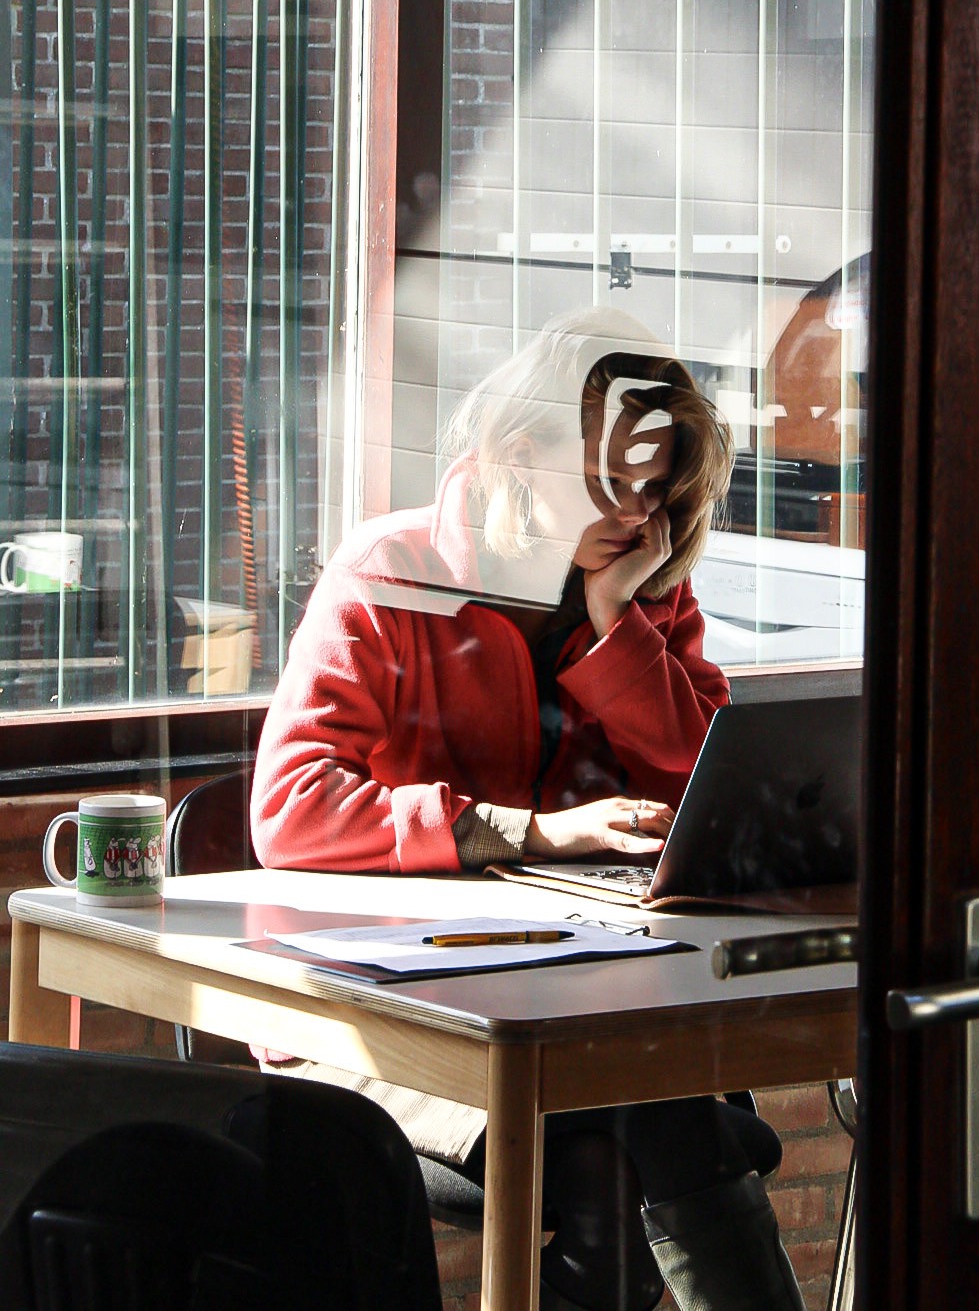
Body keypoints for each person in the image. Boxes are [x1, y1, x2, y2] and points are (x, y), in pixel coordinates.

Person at [251, 310, 806, 1311]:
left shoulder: (640, 593)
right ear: (517, 454)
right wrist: (529, 833)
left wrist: (614, 629)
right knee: (654, 1126)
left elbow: (710, 795)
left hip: (574, 1006)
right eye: (610, 481)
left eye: (654, 486)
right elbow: (290, 807)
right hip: (378, 1022)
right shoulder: (392, 575)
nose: (635, 512)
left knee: (642, 1120)